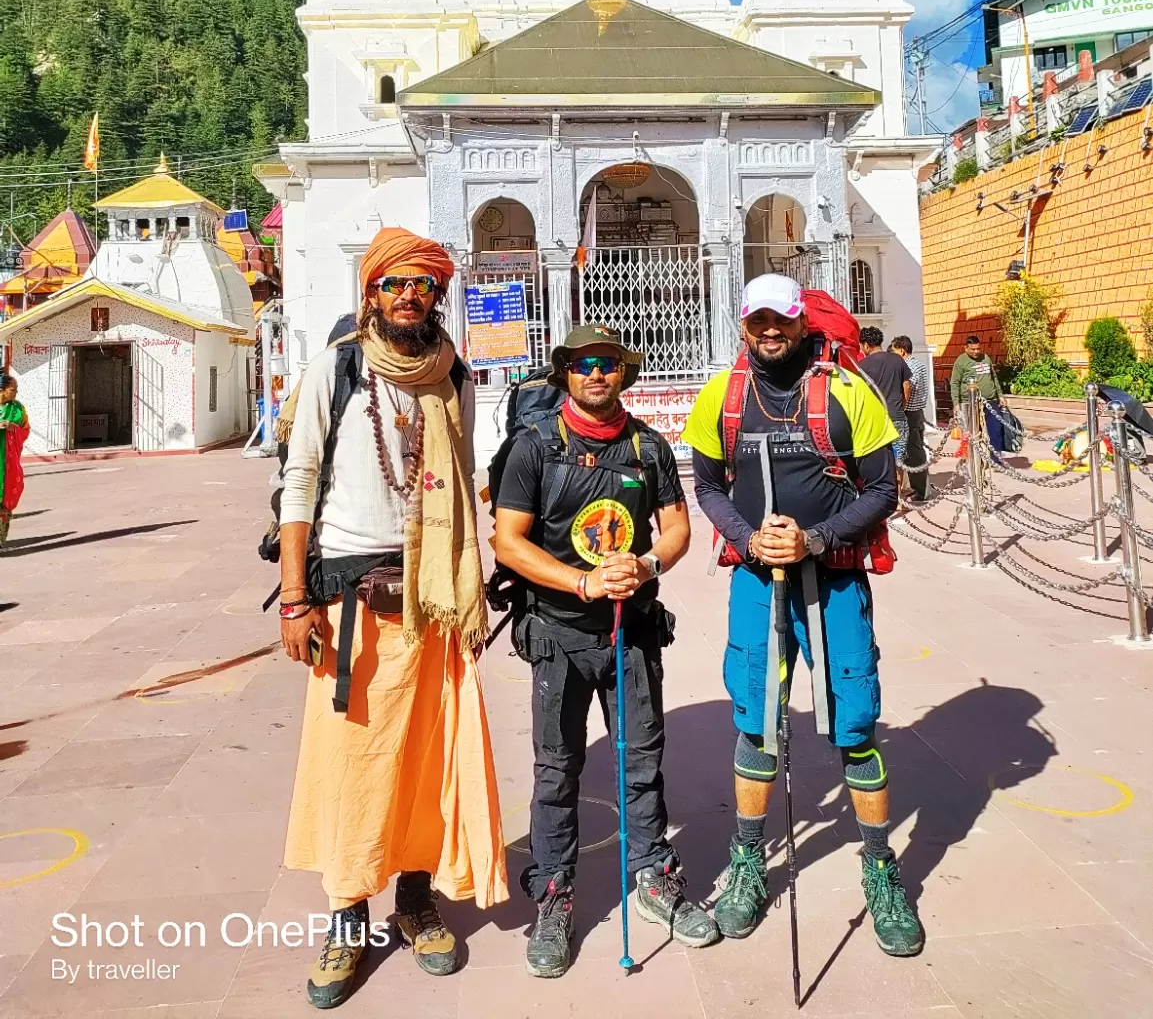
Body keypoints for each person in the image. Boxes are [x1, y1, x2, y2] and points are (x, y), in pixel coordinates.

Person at [279, 228, 507, 1009]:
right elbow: (298, 481)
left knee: (422, 757)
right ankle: (347, 916)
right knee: (353, 763)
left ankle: (414, 900)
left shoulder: (453, 376)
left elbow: (465, 472)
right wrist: (293, 598)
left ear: (437, 296)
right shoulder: (334, 369)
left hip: (434, 596)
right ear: (370, 294)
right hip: (350, 603)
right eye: (394, 284)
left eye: (422, 285)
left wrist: (471, 579)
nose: (409, 295)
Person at [682, 274, 925, 957]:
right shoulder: (723, 396)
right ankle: (747, 864)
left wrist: (815, 539)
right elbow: (704, 484)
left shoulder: (847, 392)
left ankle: (880, 870)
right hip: (759, 578)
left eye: (780, 321)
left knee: (852, 724)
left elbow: (883, 488)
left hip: (836, 576)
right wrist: (749, 537)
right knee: (756, 723)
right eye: (757, 321)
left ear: (799, 322)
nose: (769, 333)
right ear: (742, 324)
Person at [495, 325, 719, 977]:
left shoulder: (646, 447)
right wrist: (582, 581)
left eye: (610, 365)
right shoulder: (534, 447)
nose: (598, 374)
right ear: (566, 371)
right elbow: (508, 541)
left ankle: (653, 872)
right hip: (560, 633)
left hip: (631, 632)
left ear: (624, 373)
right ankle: (556, 893)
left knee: (641, 759)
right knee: (556, 768)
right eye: (585, 364)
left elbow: (676, 527)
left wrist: (646, 565)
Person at [858, 327, 912, 464]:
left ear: (866, 345)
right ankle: (898, 486)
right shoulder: (898, 360)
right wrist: (902, 406)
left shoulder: (862, 365)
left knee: (879, 462)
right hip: (897, 417)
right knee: (898, 462)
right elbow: (907, 385)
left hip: (874, 421)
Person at [949, 332, 1006, 452]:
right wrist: (956, 403)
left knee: (995, 429)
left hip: (990, 401)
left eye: (978, 349)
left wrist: (1000, 395)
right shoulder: (961, 361)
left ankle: (996, 459)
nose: (976, 352)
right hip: (969, 403)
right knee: (973, 433)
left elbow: (993, 377)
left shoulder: (985, 358)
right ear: (966, 348)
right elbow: (955, 383)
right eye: (973, 349)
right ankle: (974, 458)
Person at [889, 337, 930, 502]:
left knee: (915, 453)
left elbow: (907, 387)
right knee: (912, 451)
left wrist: (902, 408)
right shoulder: (919, 364)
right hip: (917, 412)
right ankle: (917, 487)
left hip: (910, 414)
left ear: (902, 350)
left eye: (894, 351)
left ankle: (922, 491)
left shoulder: (909, 366)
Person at [0, 374, 29, 550]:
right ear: (1, 390)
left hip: (8, 462)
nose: (16, 393)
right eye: (13, 390)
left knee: (6, 498)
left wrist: (13, 428)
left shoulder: (18, 409)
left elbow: (25, 430)